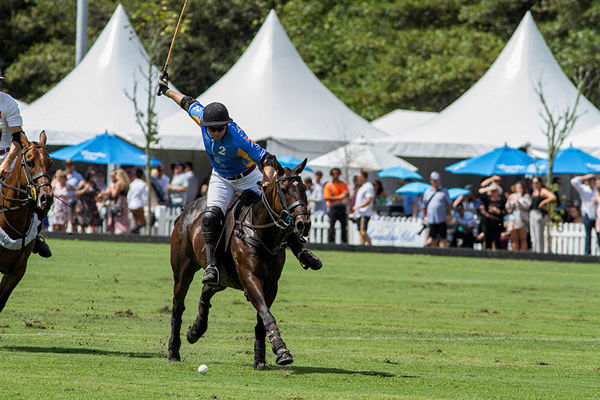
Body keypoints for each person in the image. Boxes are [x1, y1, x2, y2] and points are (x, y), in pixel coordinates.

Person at [158, 75, 321, 285]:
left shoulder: (237, 138)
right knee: (210, 217)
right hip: (221, 177)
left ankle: (300, 250)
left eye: (221, 128)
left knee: (276, 210)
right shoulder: (202, 120)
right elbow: (187, 102)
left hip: (248, 176)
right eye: (213, 129)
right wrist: (167, 90)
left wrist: (266, 179)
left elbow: (267, 158)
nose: (217, 132)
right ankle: (213, 266)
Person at [0, 80, 51, 256]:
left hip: (8, 155)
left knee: (33, 191)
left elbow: (17, 139)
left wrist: (7, 162)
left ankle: (35, 237)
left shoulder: (8, 103)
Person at [422, 171, 452, 248]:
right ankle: (433, 251)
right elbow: (424, 206)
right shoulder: (427, 192)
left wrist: (449, 217)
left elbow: (449, 205)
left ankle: (443, 252)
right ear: (431, 181)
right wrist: (423, 218)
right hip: (431, 219)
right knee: (433, 238)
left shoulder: (444, 191)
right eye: (434, 180)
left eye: (437, 180)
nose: (436, 182)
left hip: (442, 219)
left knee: (443, 238)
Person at [571, 173, 598, 255]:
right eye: (589, 180)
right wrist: (584, 177)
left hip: (597, 216)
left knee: (598, 235)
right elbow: (573, 181)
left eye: (591, 180)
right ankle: (587, 253)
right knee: (588, 235)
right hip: (587, 215)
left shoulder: (597, 190)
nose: (590, 182)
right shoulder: (584, 189)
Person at [529, 177, 556, 253]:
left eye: (536, 183)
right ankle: (534, 251)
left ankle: (540, 252)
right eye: (533, 183)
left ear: (540, 183)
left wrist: (543, 202)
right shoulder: (534, 192)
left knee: (539, 235)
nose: (534, 184)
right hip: (532, 213)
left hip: (539, 214)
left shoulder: (543, 191)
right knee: (533, 235)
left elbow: (553, 197)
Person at [323, 167, 350, 244]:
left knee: (344, 226)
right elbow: (327, 197)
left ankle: (344, 242)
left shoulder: (343, 184)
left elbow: (347, 194)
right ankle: (331, 242)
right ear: (331, 174)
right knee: (332, 225)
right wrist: (340, 197)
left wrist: (343, 196)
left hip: (342, 207)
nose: (336, 175)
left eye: (337, 173)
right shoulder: (328, 185)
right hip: (333, 207)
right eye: (334, 173)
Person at [479, 183, 506, 250]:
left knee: (497, 240)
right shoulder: (487, 200)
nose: (493, 192)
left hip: (497, 223)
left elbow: (505, 212)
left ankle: (497, 254)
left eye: (495, 191)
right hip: (487, 223)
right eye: (492, 191)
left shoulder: (501, 201)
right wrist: (489, 188)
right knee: (487, 240)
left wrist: (497, 211)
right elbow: (480, 191)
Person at [505, 181, 531, 251]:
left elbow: (527, 206)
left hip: (522, 219)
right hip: (513, 219)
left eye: (520, 187)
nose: (519, 189)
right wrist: (510, 201)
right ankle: (515, 253)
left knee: (523, 238)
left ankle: (523, 254)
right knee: (514, 238)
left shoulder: (526, 196)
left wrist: (519, 201)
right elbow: (507, 207)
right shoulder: (512, 196)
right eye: (517, 187)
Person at [74, 168, 101, 233]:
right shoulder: (82, 183)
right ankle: (82, 236)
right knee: (82, 223)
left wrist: (101, 194)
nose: (94, 176)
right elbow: (77, 193)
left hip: (91, 205)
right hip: (83, 205)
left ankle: (92, 237)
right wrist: (84, 189)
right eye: (93, 175)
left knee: (92, 223)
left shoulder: (94, 184)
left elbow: (97, 193)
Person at [104, 168, 130, 234]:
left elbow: (114, 194)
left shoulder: (118, 183)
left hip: (118, 203)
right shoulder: (125, 184)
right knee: (123, 219)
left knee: (117, 219)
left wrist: (111, 187)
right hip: (124, 203)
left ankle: (117, 232)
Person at [352, 171, 374, 245]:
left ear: (363, 177)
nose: (357, 179)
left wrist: (359, 207)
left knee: (363, 233)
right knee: (361, 233)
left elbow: (368, 200)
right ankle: (363, 246)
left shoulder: (368, 186)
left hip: (364, 213)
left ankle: (371, 246)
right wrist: (355, 211)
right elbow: (358, 201)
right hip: (359, 213)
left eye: (359, 177)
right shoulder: (362, 187)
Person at [127, 168, 147, 234]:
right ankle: (133, 231)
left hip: (131, 205)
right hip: (139, 205)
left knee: (135, 222)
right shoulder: (143, 184)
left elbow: (129, 195)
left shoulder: (132, 183)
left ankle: (135, 234)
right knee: (142, 223)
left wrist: (128, 204)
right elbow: (144, 196)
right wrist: (145, 204)